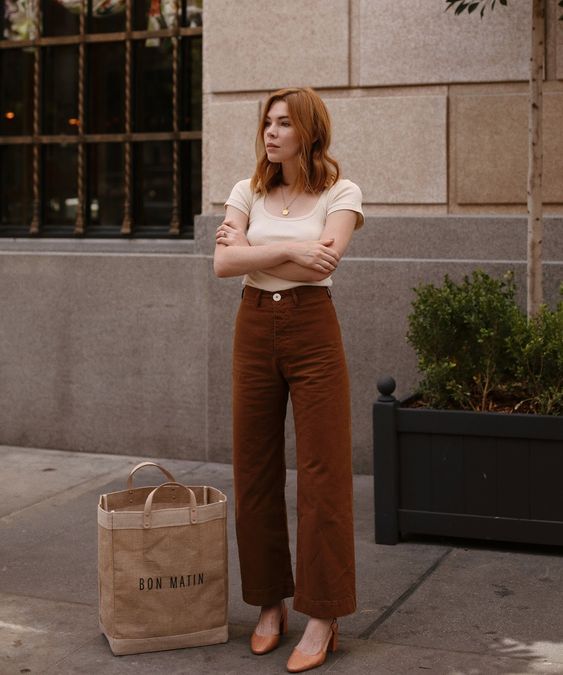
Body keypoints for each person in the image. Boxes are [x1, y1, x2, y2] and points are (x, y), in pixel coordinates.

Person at [213, 87, 363, 673]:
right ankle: (269, 604)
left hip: (312, 331)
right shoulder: (245, 190)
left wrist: (256, 246)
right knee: (255, 467)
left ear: (308, 130)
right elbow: (224, 264)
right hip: (253, 330)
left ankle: (323, 615)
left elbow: (328, 261)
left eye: (283, 123)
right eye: (266, 123)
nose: (270, 133)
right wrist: (294, 251)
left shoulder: (341, 192)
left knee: (324, 471)